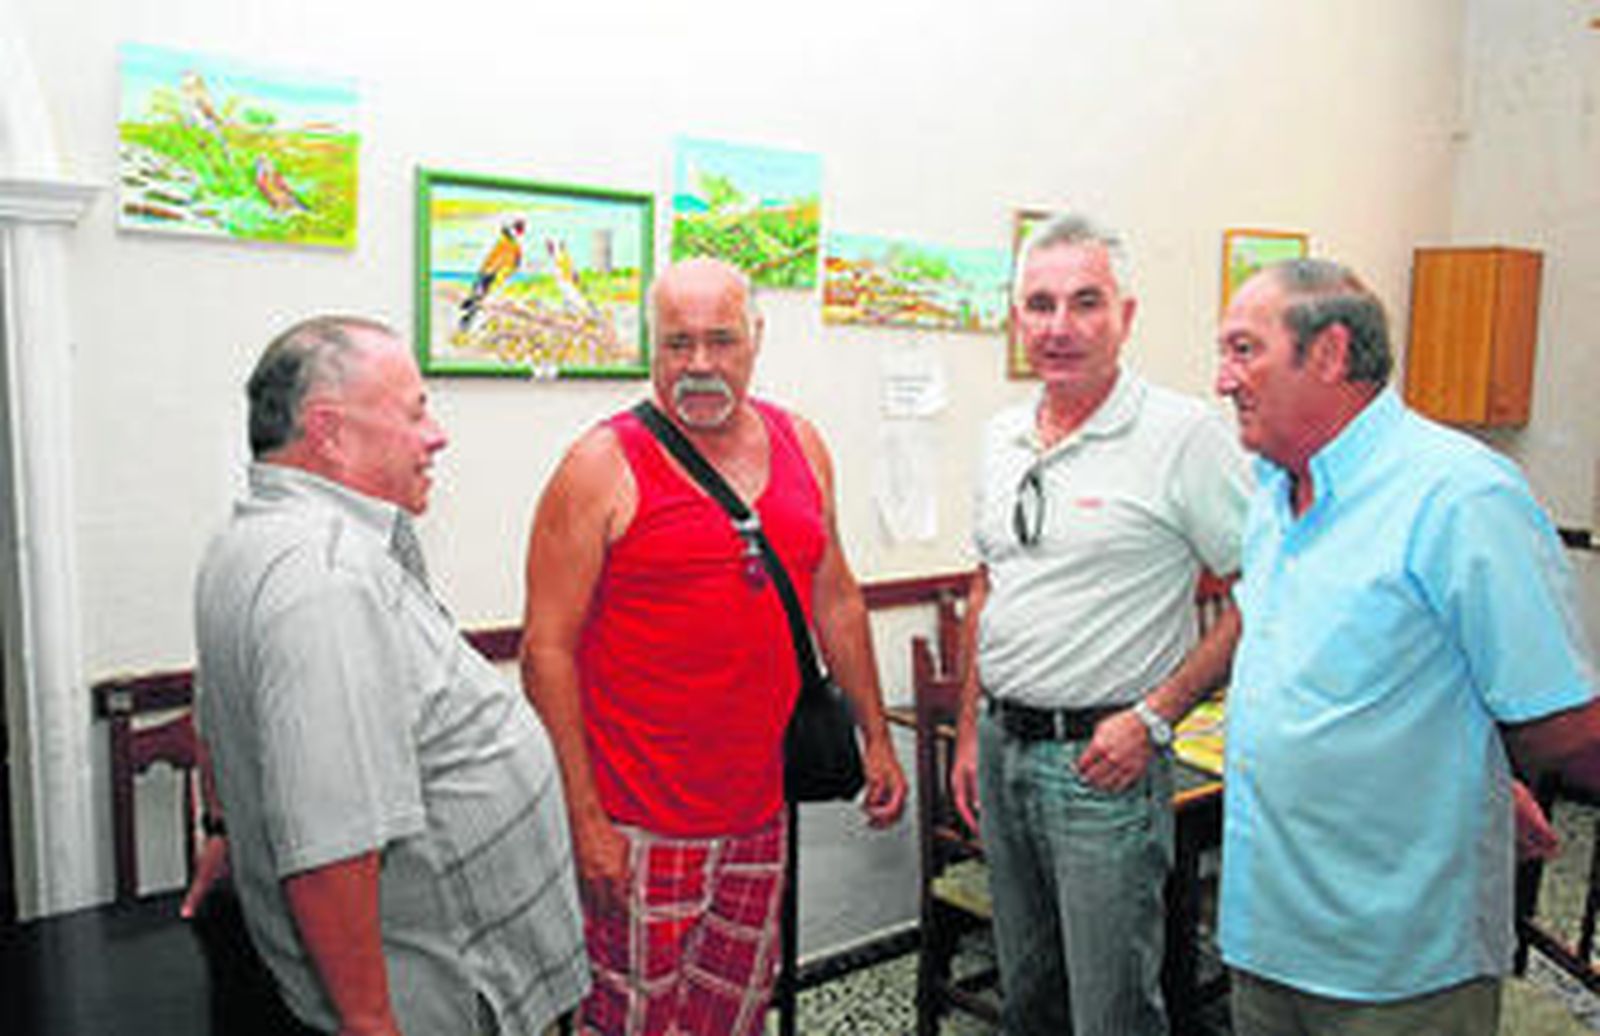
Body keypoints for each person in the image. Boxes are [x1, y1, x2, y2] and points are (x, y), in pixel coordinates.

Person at [520, 257, 908, 1036]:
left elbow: (835, 594)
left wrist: (876, 736)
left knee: (733, 1014)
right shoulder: (599, 464)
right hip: (638, 823)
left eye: (721, 340)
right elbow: (545, 652)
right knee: (629, 1019)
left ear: (756, 339)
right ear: (652, 347)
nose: (699, 363)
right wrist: (586, 821)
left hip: (760, 813)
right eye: (678, 343)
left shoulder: (803, 442)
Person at [1214, 258, 1600, 1035]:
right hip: (1265, 931)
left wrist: (1479, 781)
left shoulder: (1459, 495)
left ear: (1329, 353)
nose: (1223, 379)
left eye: (1244, 350)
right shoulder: (1273, 493)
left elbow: (1560, 720)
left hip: (1394, 959)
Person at [193, 316, 589, 1036]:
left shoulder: (256, 534)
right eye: (415, 413)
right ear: (330, 432)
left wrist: (224, 826)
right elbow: (329, 843)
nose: (437, 436)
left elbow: (222, 710)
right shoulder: (324, 580)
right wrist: (370, 1021)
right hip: (432, 995)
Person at [949, 213, 1251, 1036]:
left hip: (1103, 766)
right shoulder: (1000, 437)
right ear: (1017, 318)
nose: (1060, 326)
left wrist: (1156, 716)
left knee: (1111, 1010)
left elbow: (1265, 591)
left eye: (1086, 302)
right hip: (1003, 748)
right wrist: (971, 732)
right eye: (1039, 304)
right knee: (1030, 998)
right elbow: (988, 584)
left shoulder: (1182, 435)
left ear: (1126, 315)